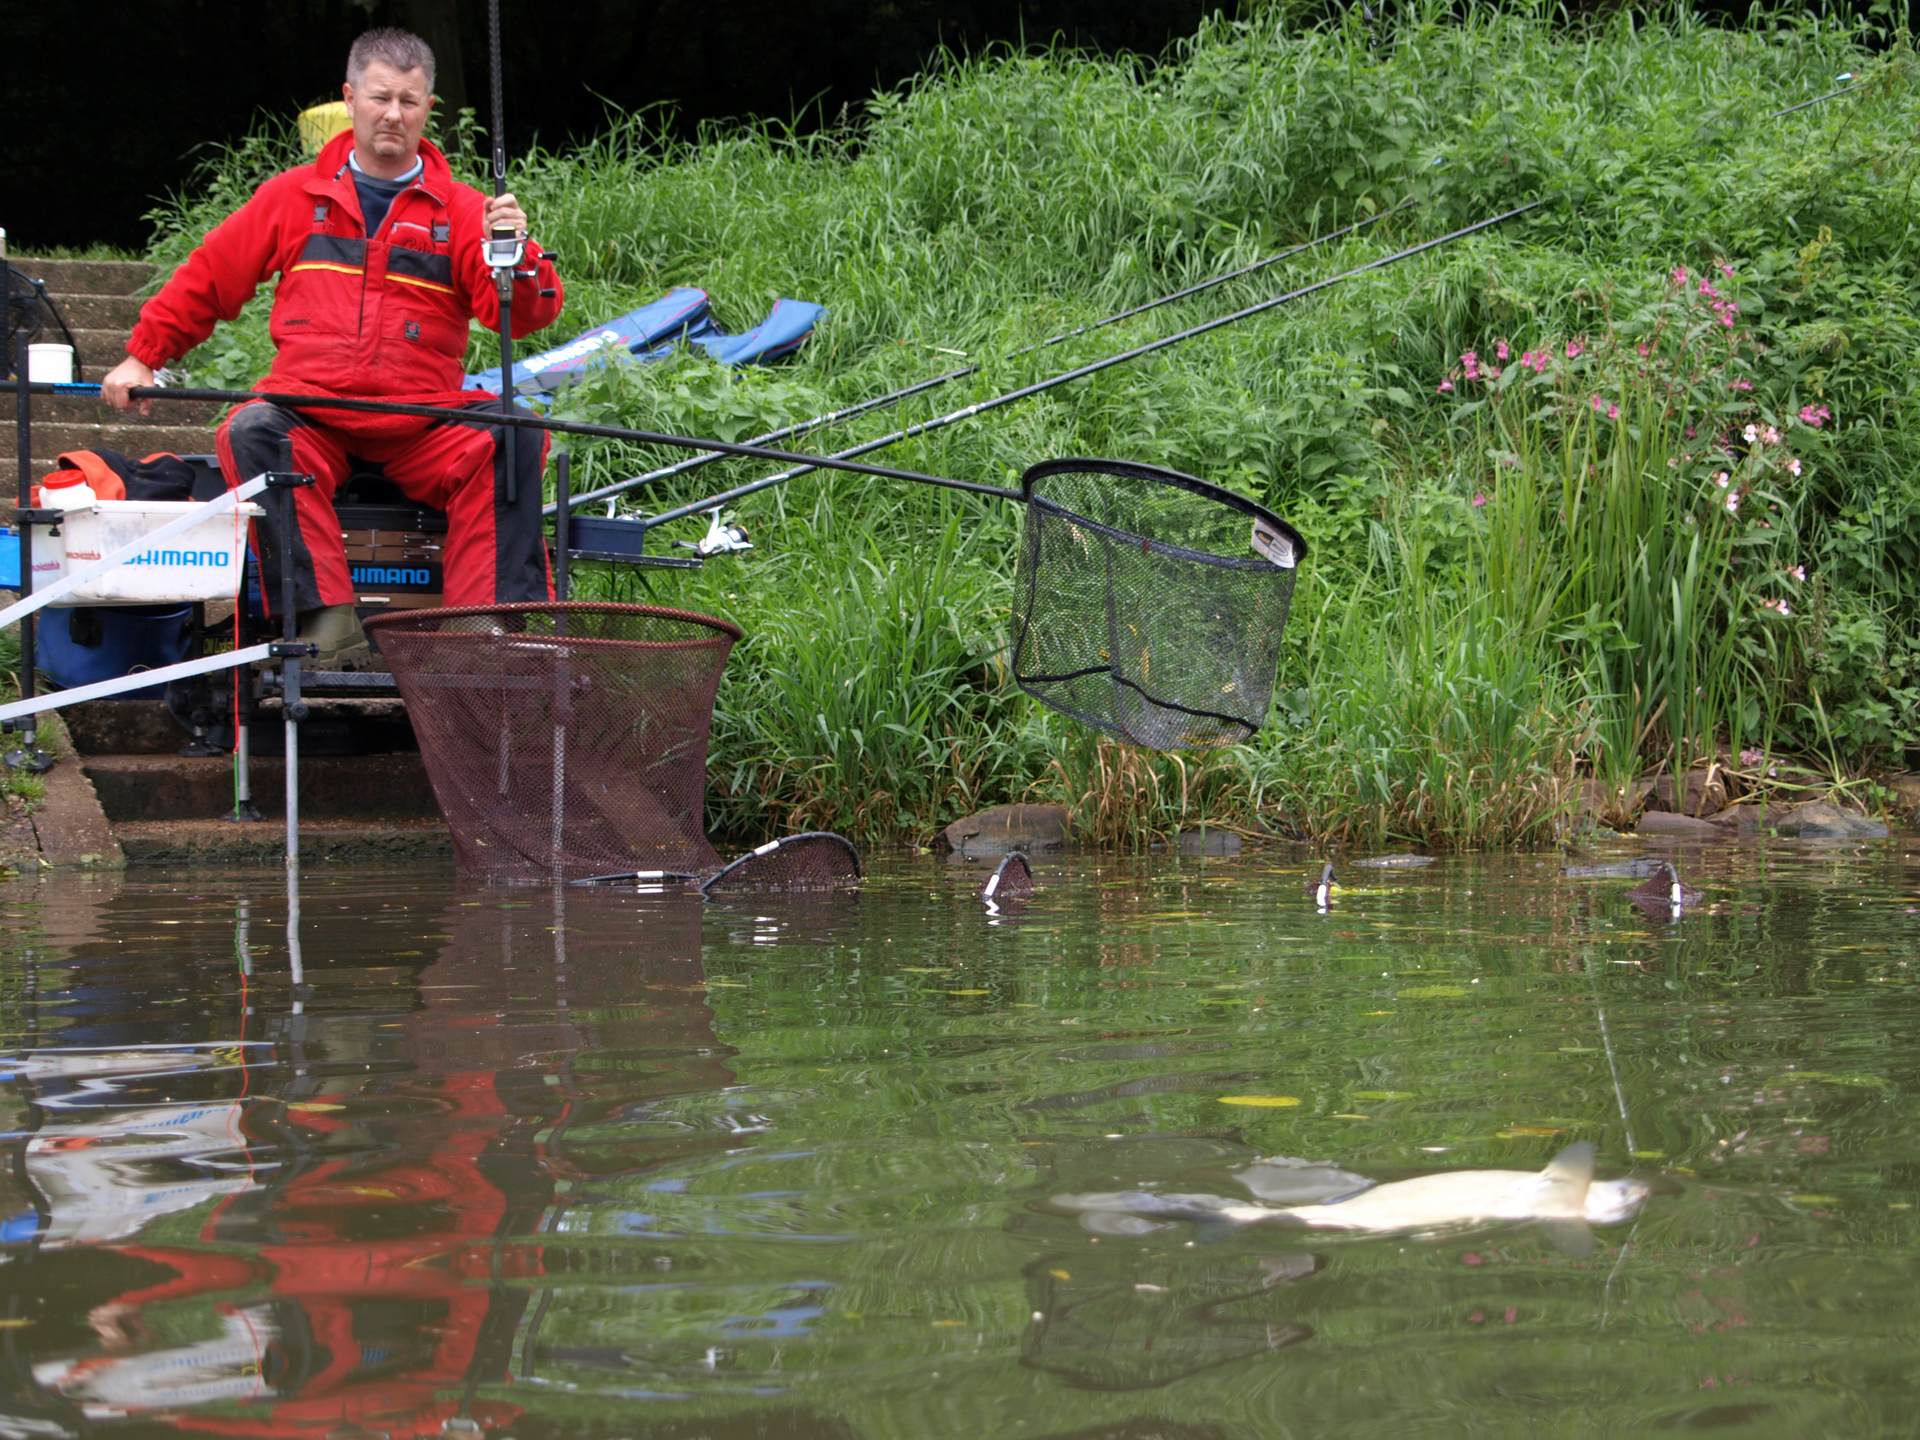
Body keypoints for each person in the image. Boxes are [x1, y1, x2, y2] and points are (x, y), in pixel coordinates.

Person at [101, 27, 564, 668]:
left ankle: (485, 631)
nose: (393, 114)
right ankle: (324, 621)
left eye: (409, 100)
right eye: (380, 97)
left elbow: (524, 316)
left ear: (430, 108)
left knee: (514, 435)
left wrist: (518, 252)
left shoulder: (467, 212)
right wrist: (145, 353)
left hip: (421, 420)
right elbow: (212, 274)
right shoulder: (291, 197)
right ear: (349, 98)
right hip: (309, 412)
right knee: (250, 430)